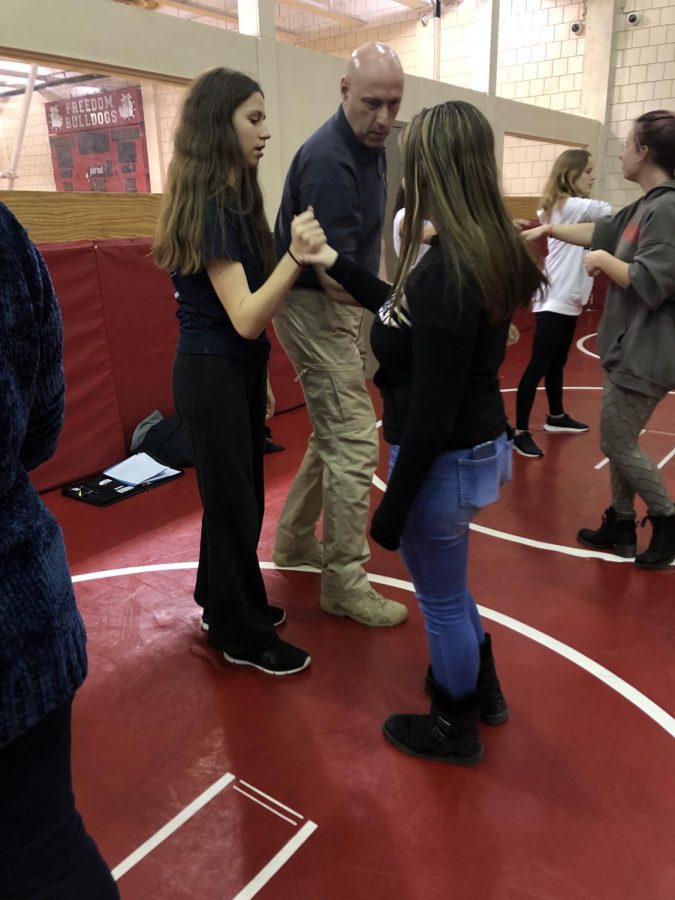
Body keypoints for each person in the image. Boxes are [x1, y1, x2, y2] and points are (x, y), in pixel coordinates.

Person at [300, 101, 545, 764]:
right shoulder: (466, 253)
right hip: (471, 455)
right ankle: (480, 690)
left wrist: (389, 511)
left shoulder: (448, 271)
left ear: (433, 167)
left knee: (439, 601)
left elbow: (433, 411)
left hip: (443, 460)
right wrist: (331, 260)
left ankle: (453, 725)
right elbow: (397, 311)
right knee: (451, 588)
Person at [153, 68, 325, 675]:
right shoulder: (212, 206)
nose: (265, 132)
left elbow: (246, 322)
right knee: (236, 508)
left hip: (232, 370)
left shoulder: (233, 201)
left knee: (236, 502)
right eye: (253, 118)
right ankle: (240, 633)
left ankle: (217, 598)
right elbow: (248, 314)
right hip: (210, 371)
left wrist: (264, 377)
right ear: (218, 124)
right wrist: (297, 257)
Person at [0, 203, 119, 897]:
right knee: (46, 854)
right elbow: (41, 431)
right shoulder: (8, 234)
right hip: (26, 611)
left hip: (23, 622)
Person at [272, 43, 409, 628]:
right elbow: (330, 277)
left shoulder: (372, 147)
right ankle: (344, 583)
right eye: (373, 103)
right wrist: (396, 311)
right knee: (354, 438)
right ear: (344, 90)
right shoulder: (330, 159)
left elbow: (360, 251)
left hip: (338, 302)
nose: (383, 117)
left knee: (333, 428)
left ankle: (294, 540)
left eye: (394, 105)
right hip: (311, 303)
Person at [523, 110, 675, 569]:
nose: (623, 152)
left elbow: (650, 279)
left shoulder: (667, 208)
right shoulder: (646, 205)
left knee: (616, 443)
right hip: (627, 345)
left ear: (644, 152)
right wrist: (550, 230)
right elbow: (599, 231)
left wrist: (602, 261)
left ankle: (667, 519)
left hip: (645, 350)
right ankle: (622, 525)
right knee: (619, 437)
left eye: (628, 144)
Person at [513, 150, 612, 458]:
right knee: (538, 366)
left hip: (567, 297)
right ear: (571, 175)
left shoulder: (563, 207)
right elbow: (610, 212)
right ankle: (520, 432)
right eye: (588, 172)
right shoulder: (569, 205)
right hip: (555, 298)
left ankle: (556, 416)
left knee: (557, 363)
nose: (593, 177)